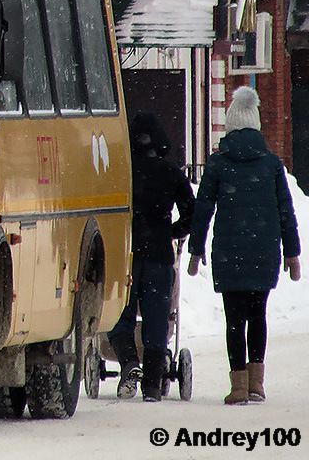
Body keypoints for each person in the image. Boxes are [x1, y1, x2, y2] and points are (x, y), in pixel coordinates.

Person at [187, 86, 301, 405]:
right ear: (256, 124)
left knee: (233, 319)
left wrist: (196, 249)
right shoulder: (271, 165)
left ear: (229, 125)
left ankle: (238, 385)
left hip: (229, 251)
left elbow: (203, 209)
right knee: (258, 314)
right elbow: (286, 211)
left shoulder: (218, 164)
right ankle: (256, 384)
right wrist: (292, 253)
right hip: (264, 251)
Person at [108, 112, 193, 401]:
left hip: (126, 254)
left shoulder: (121, 172)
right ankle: (153, 384)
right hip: (158, 255)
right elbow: (191, 214)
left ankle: (129, 363)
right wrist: (172, 230)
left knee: (122, 313)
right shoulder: (171, 173)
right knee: (157, 317)